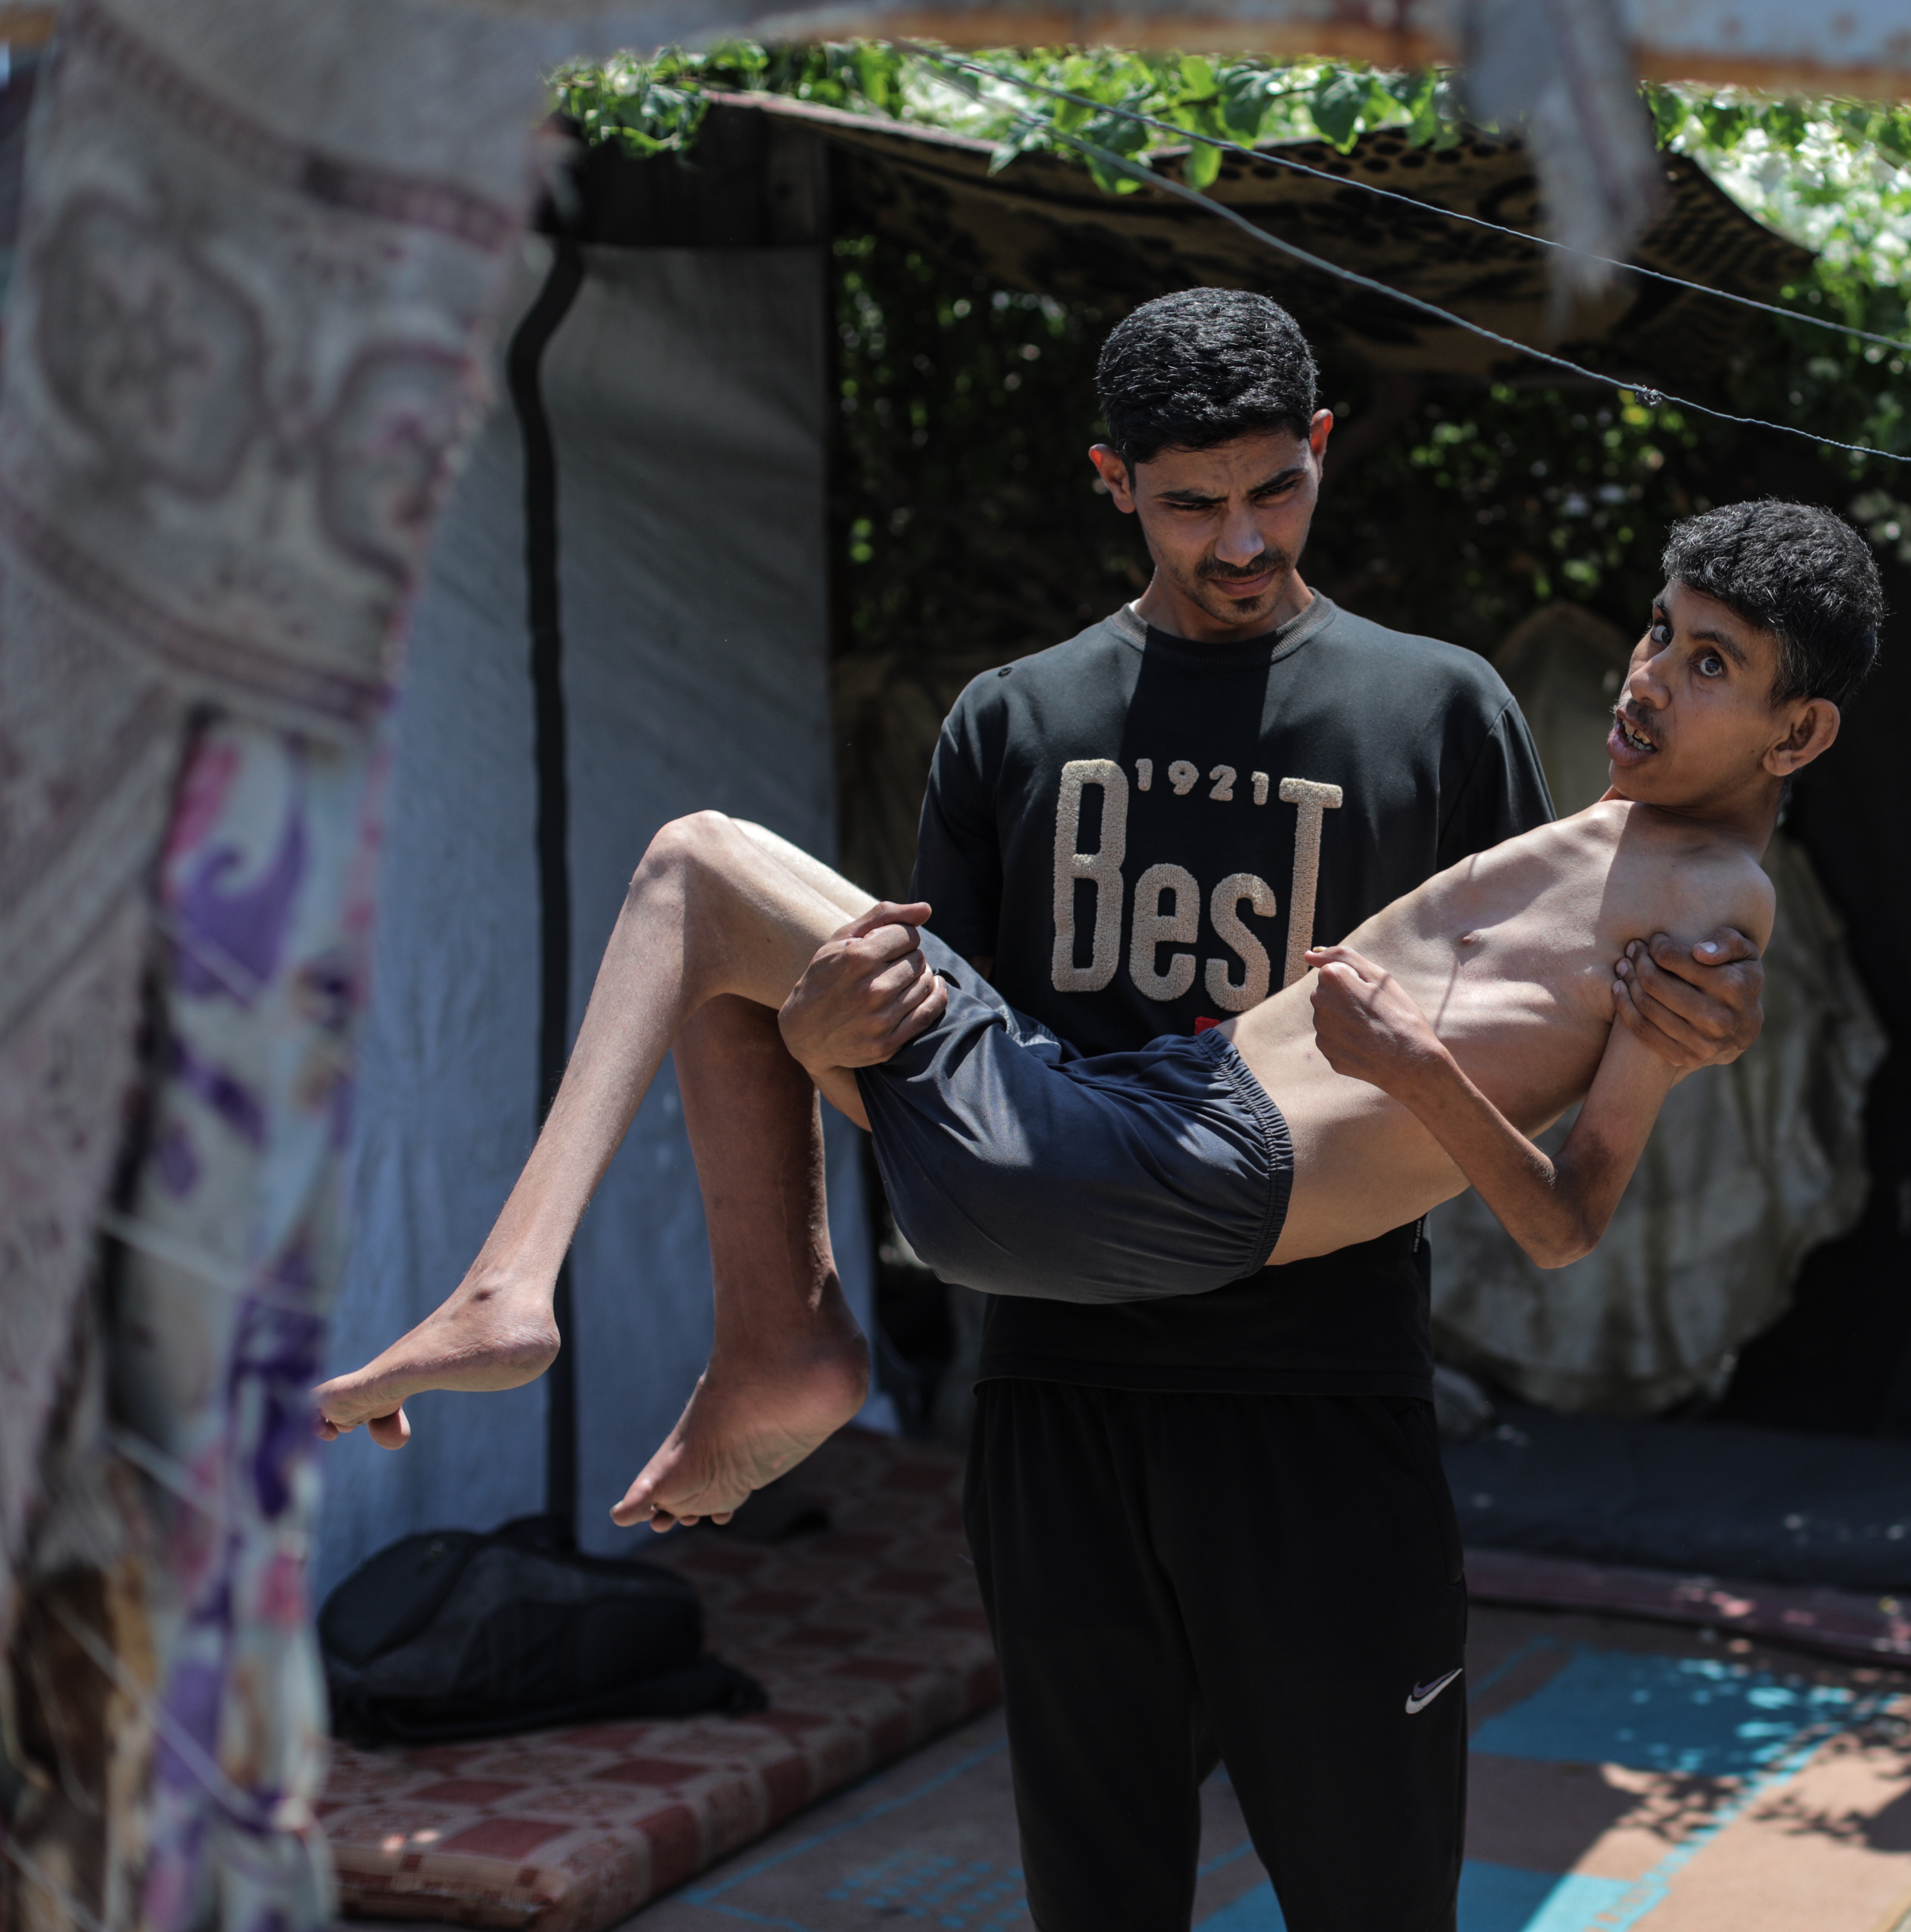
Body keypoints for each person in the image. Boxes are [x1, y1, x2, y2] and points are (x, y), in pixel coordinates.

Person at [317, 294, 1792, 1930]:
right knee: (1099, 1904)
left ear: (1319, 451)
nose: (1240, 540)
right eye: (1186, 503)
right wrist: (818, 1033)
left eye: (1274, 492)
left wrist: (1686, 1029)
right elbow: (949, 1090)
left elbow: (1546, 1024)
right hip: (1059, 1410)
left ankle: (712, 1328)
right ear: (1112, 481)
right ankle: (721, 1332)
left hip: (1316, 1410)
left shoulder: (1442, 714)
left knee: (1377, 1899)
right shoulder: (1013, 722)